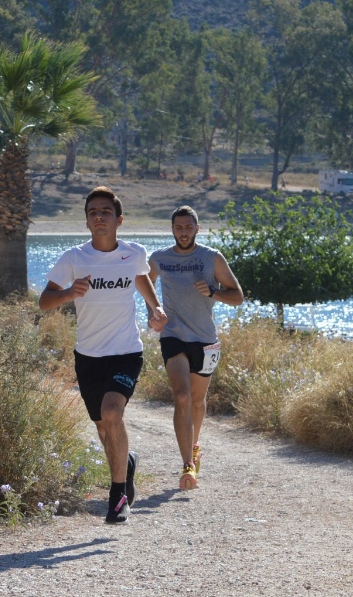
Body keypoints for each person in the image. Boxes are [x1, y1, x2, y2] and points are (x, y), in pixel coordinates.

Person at [39, 187, 167, 524]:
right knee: (102, 428)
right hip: (88, 357)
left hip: (126, 352)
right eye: (93, 211)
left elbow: (140, 278)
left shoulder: (134, 252)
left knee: (113, 413)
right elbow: (44, 300)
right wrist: (69, 292)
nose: (99, 216)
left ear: (118, 220)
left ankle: (118, 495)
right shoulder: (74, 258)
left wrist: (156, 307)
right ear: (86, 221)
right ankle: (126, 464)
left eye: (105, 211)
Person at [147, 206, 244, 490]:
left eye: (188, 227)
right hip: (173, 335)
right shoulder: (159, 259)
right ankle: (188, 464)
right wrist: (153, 313)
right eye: (178, 227)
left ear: (197, 228)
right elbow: (144, 285)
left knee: (198, 402)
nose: (183, 232)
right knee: (181, 396)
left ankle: (195, 445)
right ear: (172, 229)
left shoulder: (212, 258)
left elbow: (237, 296)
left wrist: (213, 292)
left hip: (205, 339)